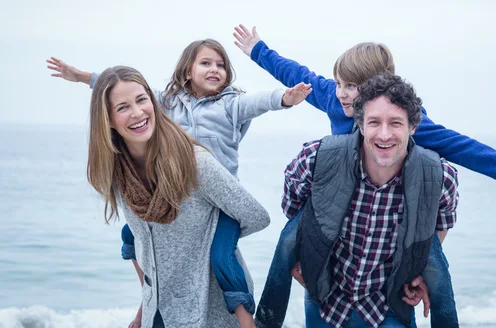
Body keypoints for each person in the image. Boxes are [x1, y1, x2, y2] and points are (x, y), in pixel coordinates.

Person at [232, 24, 496, 328]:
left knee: (432, 256)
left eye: (352, 86)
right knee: (292, 236)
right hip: (337, 198)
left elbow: (464, 148)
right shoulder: (336, 102)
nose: (343, 94)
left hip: (398, 208)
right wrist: (259, 50)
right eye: (340, 84)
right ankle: (266, 321)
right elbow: (295, 73)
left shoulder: (406, 119)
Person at [46, 39, 311, 328]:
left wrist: (285, 98)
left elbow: (258, 102)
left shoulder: (227, 110)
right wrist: (81, 76)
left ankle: (246, 320)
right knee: (132, 239)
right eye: (206, 63)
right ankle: (146, 300)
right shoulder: (163, 112)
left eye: (221, 65)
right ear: (187, 72)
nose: (136, 112)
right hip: (160, 310)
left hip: (221, 211)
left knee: (221, 255)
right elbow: (116, 87)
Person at [86, 65, 270, 327]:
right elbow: (143, 243)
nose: (137, 112)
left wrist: (212, 240)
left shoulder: (195, 164)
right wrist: (143, 310)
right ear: (108, 120)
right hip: (158, 312)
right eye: (123, 107)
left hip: (207, 313)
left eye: (142, 100)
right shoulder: (117, 174)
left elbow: (256, 216)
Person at [289, 73, 459, 327]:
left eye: (395, 123)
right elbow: (294, 207)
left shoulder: (440, 176)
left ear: (413, 127)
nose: (383, 134)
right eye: (374, 122)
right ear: (360, 124)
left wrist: (416, 269)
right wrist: (300, 254)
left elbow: (438, 229)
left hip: (389, 299)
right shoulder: (316, 158)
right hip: (324, 297)